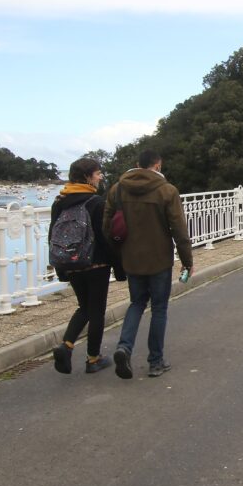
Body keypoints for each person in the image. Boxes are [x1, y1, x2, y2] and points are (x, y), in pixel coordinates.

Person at [104, 149, 193, 379]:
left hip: (131, 260)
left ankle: (124, 347)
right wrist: (187, 261)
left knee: (136, 303)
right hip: (159, 259)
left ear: (137, 164)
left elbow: (108, 227)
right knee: (159, 308)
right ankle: (155, 362)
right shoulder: (167, 191)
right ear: (158, 165)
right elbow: (179, 230)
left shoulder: (118, 189)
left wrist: (120, 253)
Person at [51, 157, 125, 374]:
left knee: (84, 307)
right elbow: (105, 238)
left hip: (70, 263)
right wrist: (119, 267)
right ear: (87, 177)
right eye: (97, 173)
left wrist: (61, 268)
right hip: (95, 264)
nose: (101, 176)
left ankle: (66, 346)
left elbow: (52, 237)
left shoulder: (59, 202)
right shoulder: (95, 202)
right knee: (97, 312)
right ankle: (93, 359)